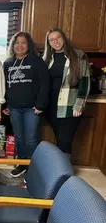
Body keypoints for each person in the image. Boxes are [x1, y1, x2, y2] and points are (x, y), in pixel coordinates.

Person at [4, 32, 49, 177]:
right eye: (17, 43)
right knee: (19, 138)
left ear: (28, 45)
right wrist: (6, 104)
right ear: (13, 45)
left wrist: (40, 105)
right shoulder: (8, 63)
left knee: (30, 139)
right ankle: (21, 164)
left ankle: (32, 166)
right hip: (14, 108)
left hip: (31, 108)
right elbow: (3, 86)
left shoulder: (36, 61)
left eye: (23, 43)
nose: (20, 46)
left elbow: (45, 84)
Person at [43, 27, 90, 157]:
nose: (55, 42)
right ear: (48, 43)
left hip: (70, 106)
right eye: (51, 40)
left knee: (65, 141)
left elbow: (85, 82)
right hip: (52, 106)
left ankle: (65, 173)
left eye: (58, 38)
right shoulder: (47, 58)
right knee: (59, 139)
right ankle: (61, 170)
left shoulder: (78, 55)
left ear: (63, 38)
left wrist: (79, 105)